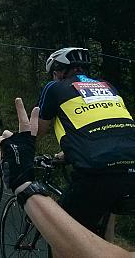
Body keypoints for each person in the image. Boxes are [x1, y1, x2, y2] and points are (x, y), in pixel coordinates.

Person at [0, 98, 134, 258]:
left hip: (100, 170)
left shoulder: (56, 90)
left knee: (65, 231)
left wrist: (22, 180)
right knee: (108, 202)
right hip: (125, 166)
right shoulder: (112, 99)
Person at [37, 47, 135, 238]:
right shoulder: (108, 87)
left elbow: (37, 132)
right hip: (131, 168)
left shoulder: (54, 87)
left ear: (59, 71)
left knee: (61, 234)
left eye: (54, 73)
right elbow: (105, 130)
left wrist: (14, 145)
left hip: (97, 172)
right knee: (106, 213)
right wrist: (66, 154)